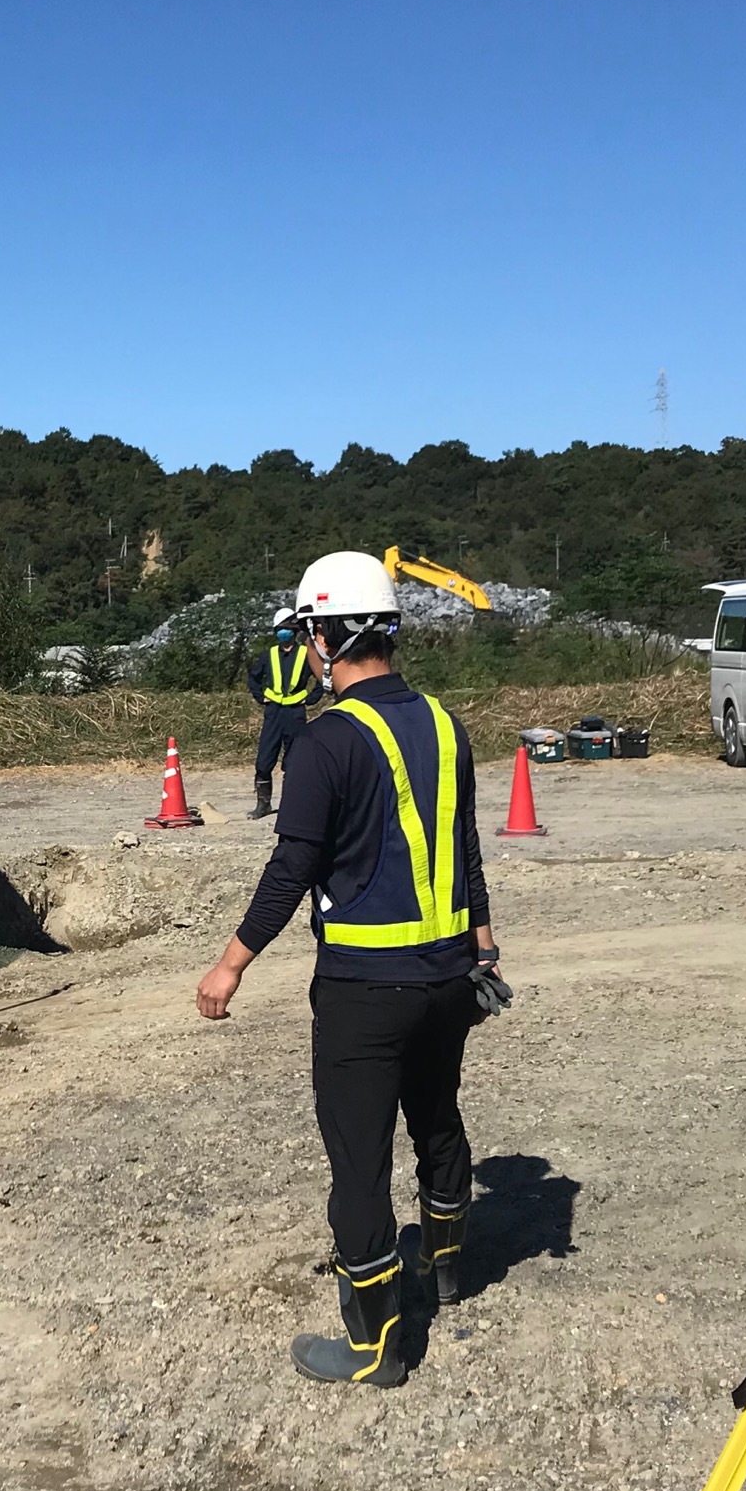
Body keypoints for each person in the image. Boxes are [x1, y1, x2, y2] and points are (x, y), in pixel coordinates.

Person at [193, 550, 510, 1387]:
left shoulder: (326, 741)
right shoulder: (447, 724)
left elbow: (291, 870)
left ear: (328, 636)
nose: (304, 651)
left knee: (359, 1162)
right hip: (450, 979)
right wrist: (484, 948)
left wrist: (230, 965)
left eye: (306, 636)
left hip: (366, 991)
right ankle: (444, 1270)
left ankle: (373, 1345)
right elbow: (467, 851)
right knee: (437, 1119)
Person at [244, 609, 320, 819]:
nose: (282, 633)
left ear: (294, 631)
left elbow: (323, 678)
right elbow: (254, 678)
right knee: (264, 760)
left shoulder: (305, 654)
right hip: (274, 712)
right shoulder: (269, 654)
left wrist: (312, 698)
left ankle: (293, 805)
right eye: (280, 630)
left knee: (295, 761)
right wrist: (261, 697)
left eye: (286, 629)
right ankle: (263, 804)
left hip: (295, 712)